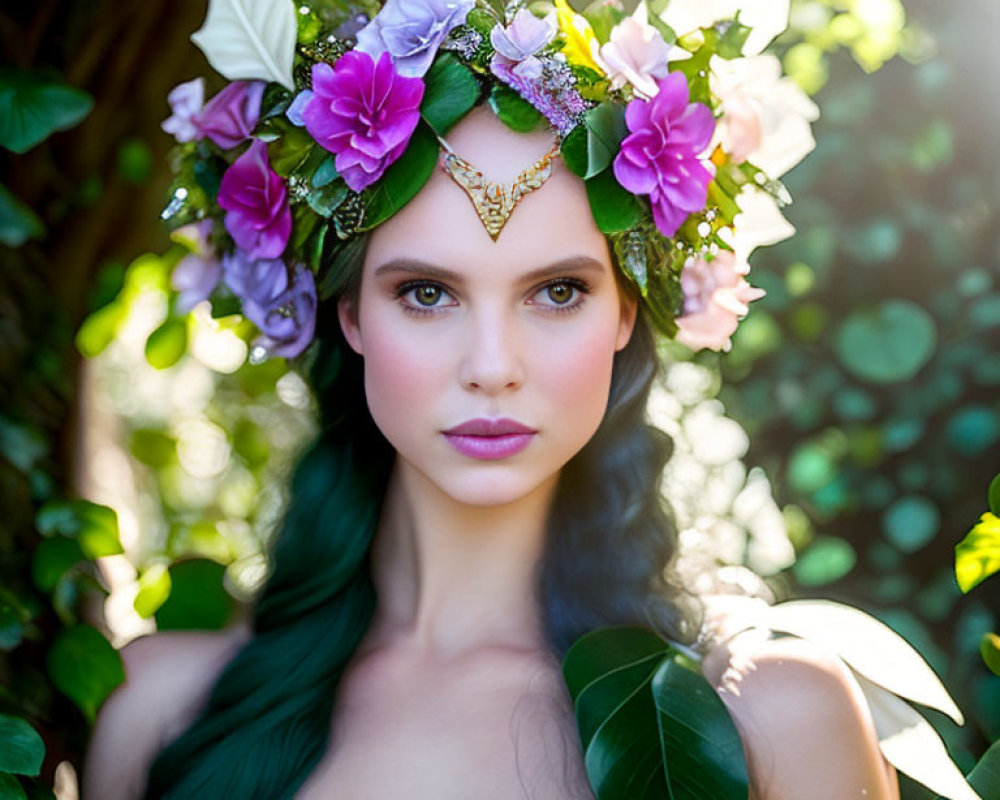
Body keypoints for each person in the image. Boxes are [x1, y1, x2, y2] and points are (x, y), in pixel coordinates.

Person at [80, 1, 967, 798]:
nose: (493, 366)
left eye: (556, 292)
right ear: (347, 314)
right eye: (427, 293)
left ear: (627, 311)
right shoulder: (162, 710)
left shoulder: (774, 717)